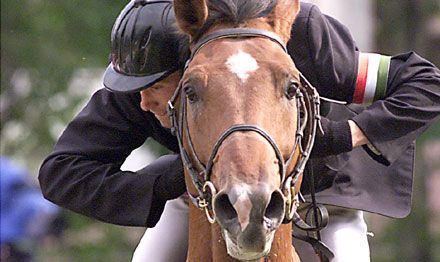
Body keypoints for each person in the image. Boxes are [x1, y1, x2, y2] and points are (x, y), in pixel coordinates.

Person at [38, 1, 440, 262]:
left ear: (186, 74)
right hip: (202, 198)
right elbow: (62, 172)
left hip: (323, 202)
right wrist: (172, 179)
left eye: (156, 90)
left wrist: (347, 133)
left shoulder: (306, 39)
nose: (143, 104)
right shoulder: (143, 80)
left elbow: (426, 82)